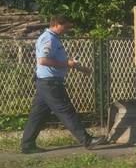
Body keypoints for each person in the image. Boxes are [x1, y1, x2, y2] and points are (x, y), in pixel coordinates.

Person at [20, 16, 103, 153]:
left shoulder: (53, 38)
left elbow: (57, 59)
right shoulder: (49, 38)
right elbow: (43, 60)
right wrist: (66, 64)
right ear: (58, 24)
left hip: (45, 82)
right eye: (66, 27)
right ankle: (87, 141)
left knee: (38, 115)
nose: (67, 30)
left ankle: (27, 145)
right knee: (66, 111)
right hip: (50, 83)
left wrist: (79, 68)